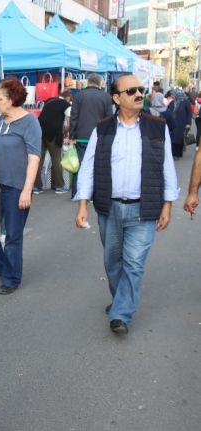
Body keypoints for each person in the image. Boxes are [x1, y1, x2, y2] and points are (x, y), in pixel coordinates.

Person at [74, 74, 178, 335]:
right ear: (116, 98)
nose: (139, 94)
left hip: (144, 210)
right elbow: (88, 168)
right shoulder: (103, 128)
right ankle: (121, 298)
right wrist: (82, 204)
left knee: (134, 263)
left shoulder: (157, 126)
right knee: (112, 263)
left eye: (141, 90)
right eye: (131, 91)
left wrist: (168, 205)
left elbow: (167, 167)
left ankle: (121, 313)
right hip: (109, 208)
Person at [0, 77, 41, 294]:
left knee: (13, 236)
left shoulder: (30, 122)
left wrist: (27, 190)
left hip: (16, 187)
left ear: (12, 99)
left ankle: (11, 277)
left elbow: (34, 157)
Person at [69, 73, 113, 198]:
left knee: (80, 165)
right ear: (100, 83)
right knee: (97, 166)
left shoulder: (78, 95)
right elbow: (109, 118)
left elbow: (74, 117)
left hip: (81, 136)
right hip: (99, 136)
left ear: (87, 82)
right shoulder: (105, 97)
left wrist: (72, 135)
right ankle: (94, 195)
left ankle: (77, 193)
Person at [33, 90, 72, 194]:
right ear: (68, 97)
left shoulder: (49, 101)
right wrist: (66, 133)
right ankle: (59, 186)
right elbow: (69, 123)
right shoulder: (66, 104)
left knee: (38, 160)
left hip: (39, 132)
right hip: (54, 134)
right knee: (56, 160)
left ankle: (36, 186)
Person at [167, 89, 192, 159]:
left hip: (182, 123)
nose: (172, 96)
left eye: (173, 94)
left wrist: (188, 123)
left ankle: (178, 154)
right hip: (172, 123)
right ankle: (173, 153)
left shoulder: (185, 102)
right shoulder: (172, 102)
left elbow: (189, 113)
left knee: (179, 138)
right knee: (172, 138)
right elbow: (168, 111)